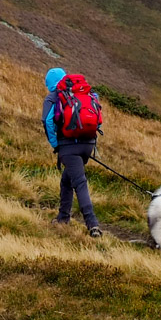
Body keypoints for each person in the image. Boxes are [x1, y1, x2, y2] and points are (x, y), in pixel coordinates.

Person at [42, 66, 104, 238]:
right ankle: (63, 218)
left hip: (68, 147)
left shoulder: (54, 97)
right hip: (88, 144)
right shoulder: (84, 94)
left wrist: (56, 145)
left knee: (79, 182)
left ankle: (93, 225)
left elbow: (46, 121)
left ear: (49, 84)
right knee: (67, 181)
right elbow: (97, 111)